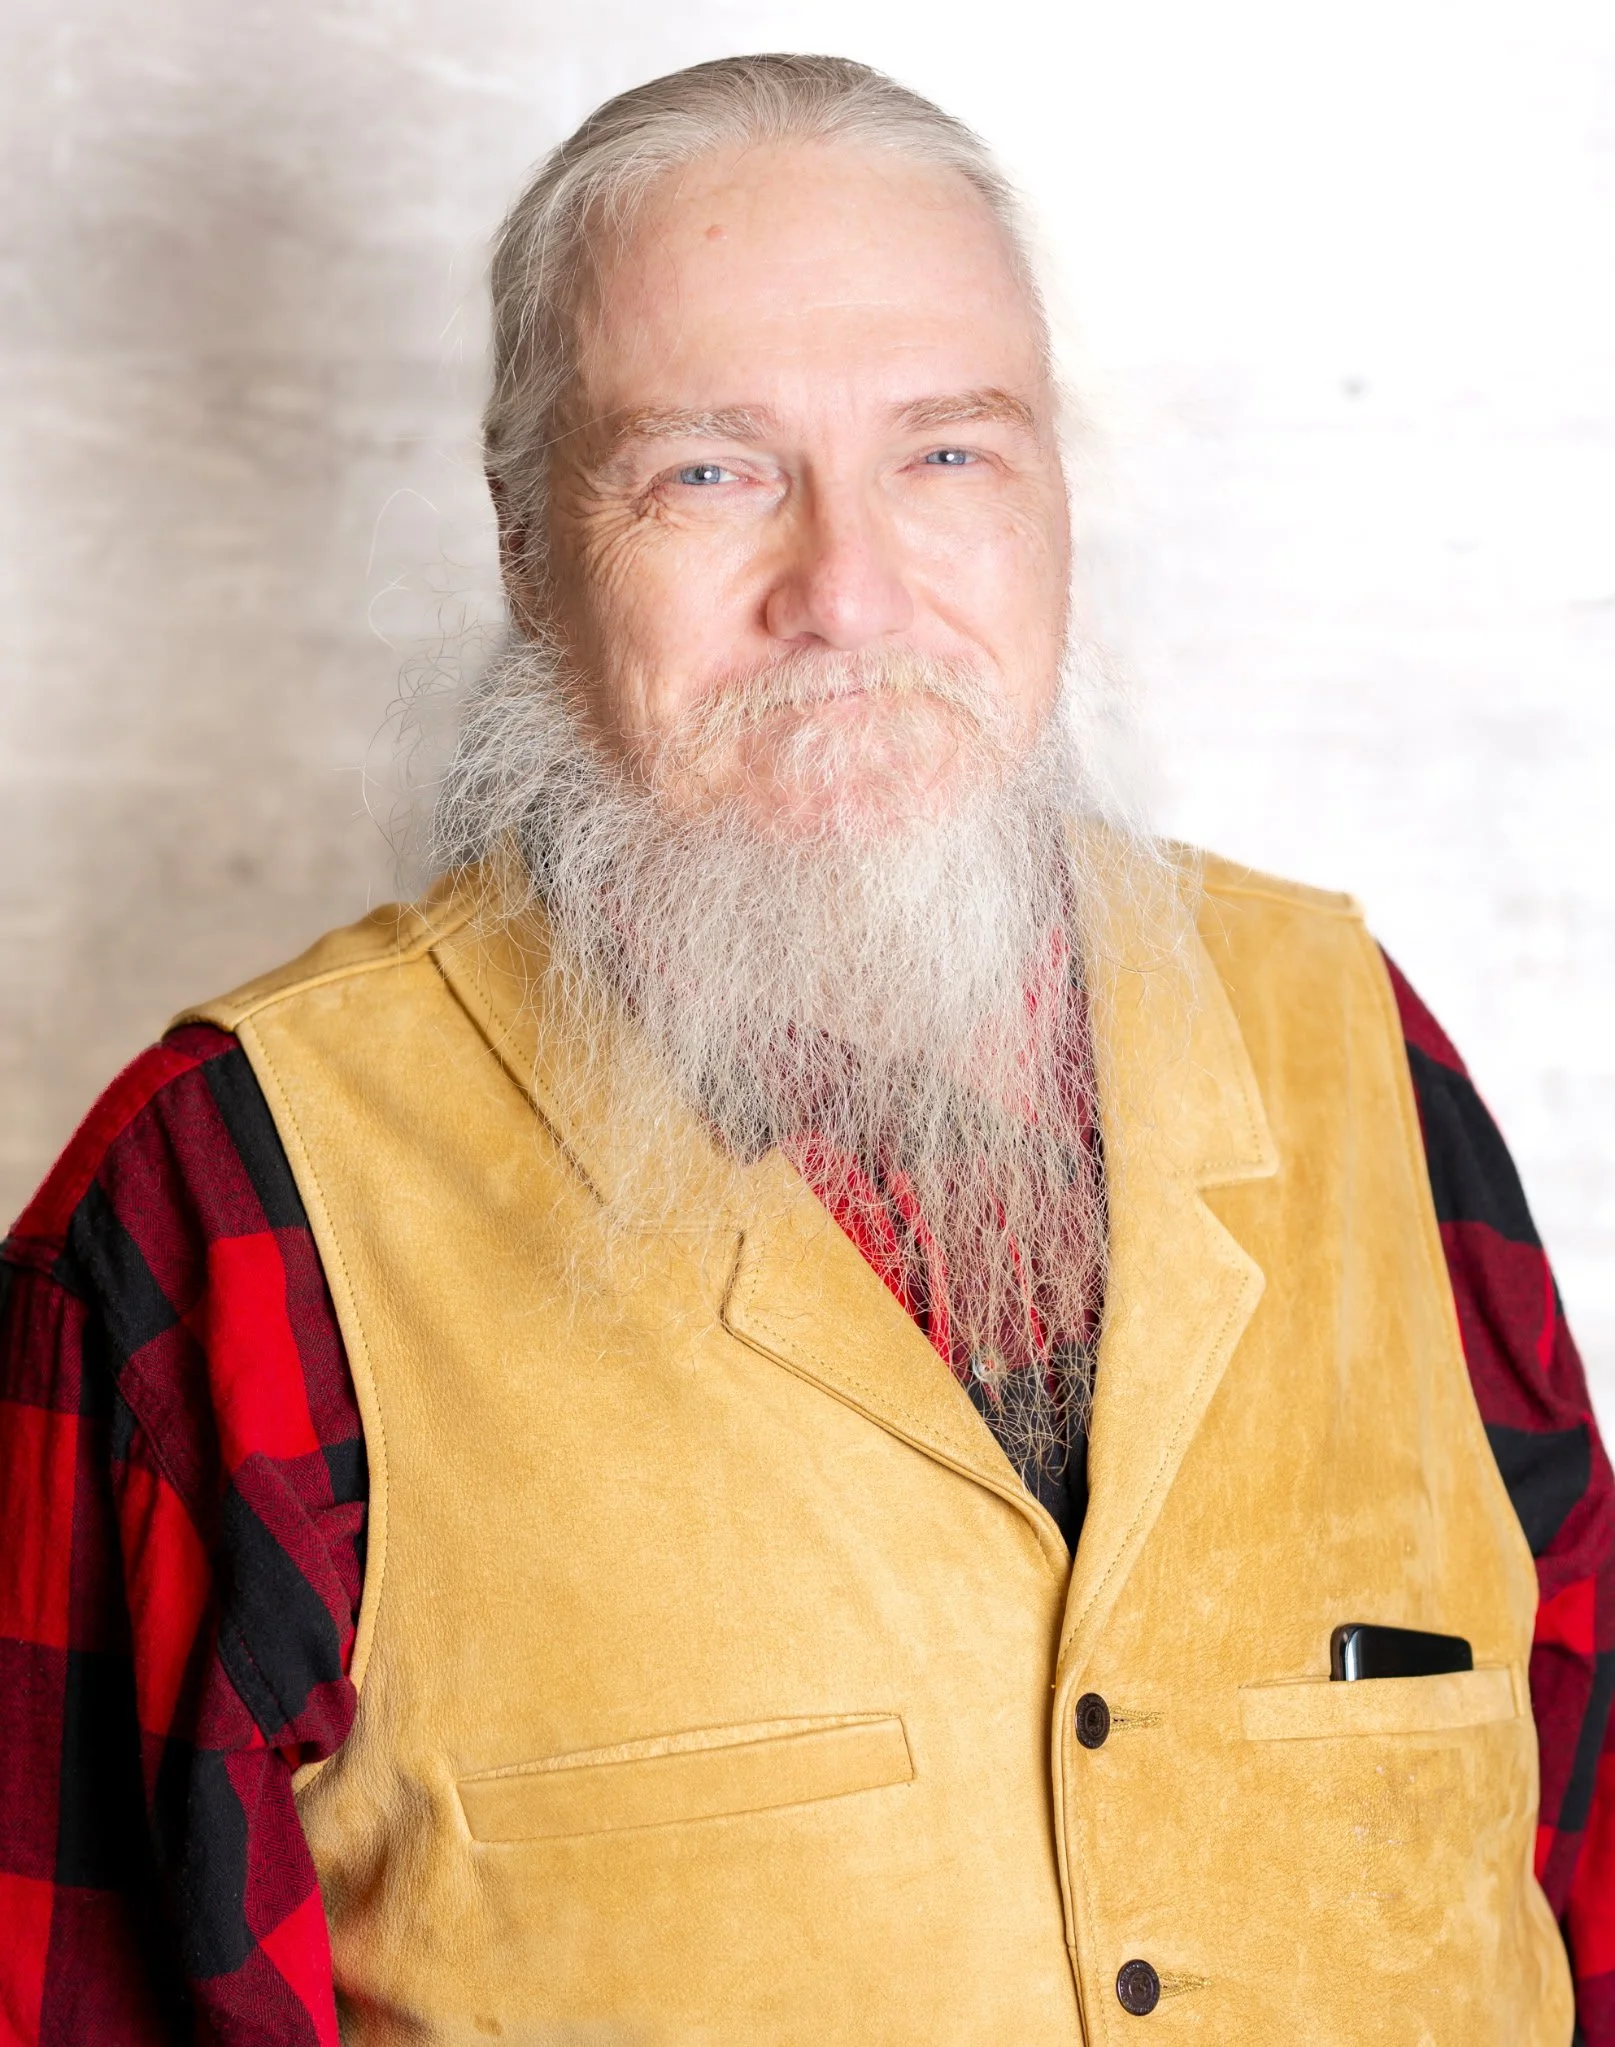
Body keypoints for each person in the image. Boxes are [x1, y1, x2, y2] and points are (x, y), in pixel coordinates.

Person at [1, 53, 1610, 2046]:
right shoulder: (217, 1208)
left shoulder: (1362, 1058)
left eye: (948, 456)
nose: (845, 595)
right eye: (711, 470)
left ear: (1056, 512)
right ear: (525, 548)